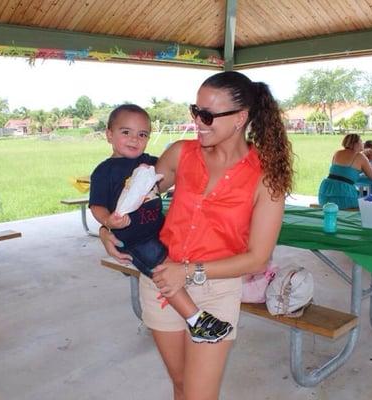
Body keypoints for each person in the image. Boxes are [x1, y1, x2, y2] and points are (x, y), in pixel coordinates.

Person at [99, 71, 293, 399]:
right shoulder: (180, 154)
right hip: (161, 282)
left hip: (214, 290)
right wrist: (106, 227)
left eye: (206, 115)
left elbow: (258, 257)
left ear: (240, 118)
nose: (197, 122)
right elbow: (131, 203)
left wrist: (187, 271)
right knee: (182, 385)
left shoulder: (266, 177)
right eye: (195, 111)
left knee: (200, 395)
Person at [89, 104, 233, 344]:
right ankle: (196, 320)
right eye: (126, 132)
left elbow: (180, 166)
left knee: (175, 265)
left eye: (142, 134)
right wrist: (107, 222)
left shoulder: (150, 163)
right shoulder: (105, 171)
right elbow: (97, 205)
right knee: (165, 273)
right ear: (109, 134)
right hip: (134, 239)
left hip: (158, 231)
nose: (135, 139)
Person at [318, 133, 372, 210]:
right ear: (355, 143)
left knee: (361, 192)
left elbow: (342, 172)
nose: (363, 143)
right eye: (361, 141)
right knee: (367, 194)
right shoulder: (360, 156)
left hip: (325, 194)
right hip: (344, 196)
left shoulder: (337, 153)